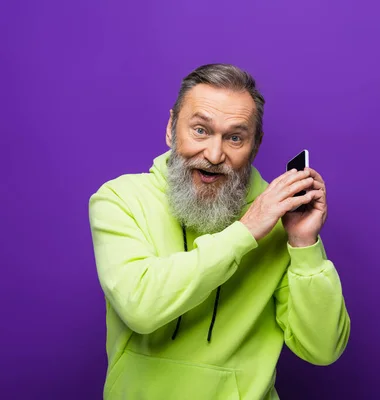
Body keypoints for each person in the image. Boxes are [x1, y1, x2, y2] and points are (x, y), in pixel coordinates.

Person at [88, 63, 350, 399]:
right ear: (171, 128)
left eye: (235, 137)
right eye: (200, 130)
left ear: (254, 146)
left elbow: (323, 348)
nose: (214, 154)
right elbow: (141, 307)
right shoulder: (119, 199)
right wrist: (246, 231)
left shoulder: (279, 218)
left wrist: (303, 243)